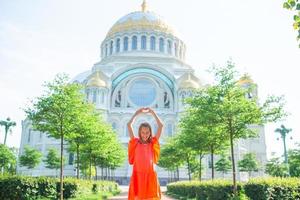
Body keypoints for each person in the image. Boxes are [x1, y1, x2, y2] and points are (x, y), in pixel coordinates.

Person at [127, 107, 163, 200]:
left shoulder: (153, 143)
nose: (145, 134)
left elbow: (161, 126)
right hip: (138, 176)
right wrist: (136, 113)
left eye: (147, 132)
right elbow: (129, 125)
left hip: (150, 175)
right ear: (140, 132)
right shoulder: (135, 142)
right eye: (143, 132)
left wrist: (153, 113)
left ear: (150, 133)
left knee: (150, 198)